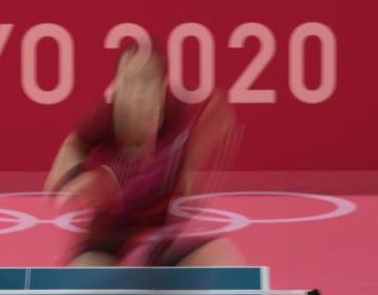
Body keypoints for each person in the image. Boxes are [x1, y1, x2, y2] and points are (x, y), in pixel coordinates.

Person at [45, 44, 242, 268]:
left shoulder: (177, 117)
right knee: (84, 275)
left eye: (146, 81)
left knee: (228, 265)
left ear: (162, 86)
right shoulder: (104, 117)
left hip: (161, 237)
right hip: (108, 237)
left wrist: (190, 169)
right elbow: (72, 146)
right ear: (117, 86)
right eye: (128, 81)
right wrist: (71, 178)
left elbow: (208, 128)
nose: (136, 92)